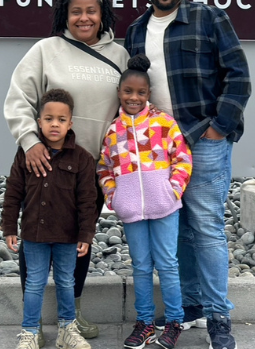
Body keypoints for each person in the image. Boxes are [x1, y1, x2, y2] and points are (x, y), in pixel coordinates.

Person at [124, 0, 251, 349]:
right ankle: (191, 305)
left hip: (203, 139)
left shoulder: (209, 17)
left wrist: (219, 127)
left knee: (207, 229)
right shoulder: (136, 30)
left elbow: (238, 75)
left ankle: (218, 315)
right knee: (175, 229)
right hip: (159, 150)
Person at [4, 0, 129, 343]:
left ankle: (70, 319)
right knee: (36, 240)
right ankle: (32, 326)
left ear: (102, 14)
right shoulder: (45, 51)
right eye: (76, 11)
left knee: (78, 240)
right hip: (45, 164)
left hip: (90, 169)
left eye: (91, 10)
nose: (84, 17)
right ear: (65, 15)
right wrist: (30, 142)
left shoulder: (119, 56)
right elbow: (18, 101)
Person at [97, 55, 192, 349]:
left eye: (140, 93)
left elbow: (183, 158)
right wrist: (114, 197)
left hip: (164, 207)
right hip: (131, 210)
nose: (134, 98)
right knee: (140, 265)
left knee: (167, 264)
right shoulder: (113, 131)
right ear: (119, 93)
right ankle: (145, 323)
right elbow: (104, 167)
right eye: (128, 92)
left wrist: (172, 191)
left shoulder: (164, 123)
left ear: (148, 94)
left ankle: (175, 321)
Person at [2, 89, 96, 349]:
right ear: (39, 122)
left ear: (70, 123)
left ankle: (67, 330)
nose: (55, 124)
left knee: (67, 281)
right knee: (34, 283)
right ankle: (30, 332)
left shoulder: (82, 159)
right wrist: (9, 226)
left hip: (67, 236)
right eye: (49, 118)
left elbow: (88, 201)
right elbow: (13, 192)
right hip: (34, 234)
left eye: (61, 119)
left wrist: (86, 235)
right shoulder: (25, 155)